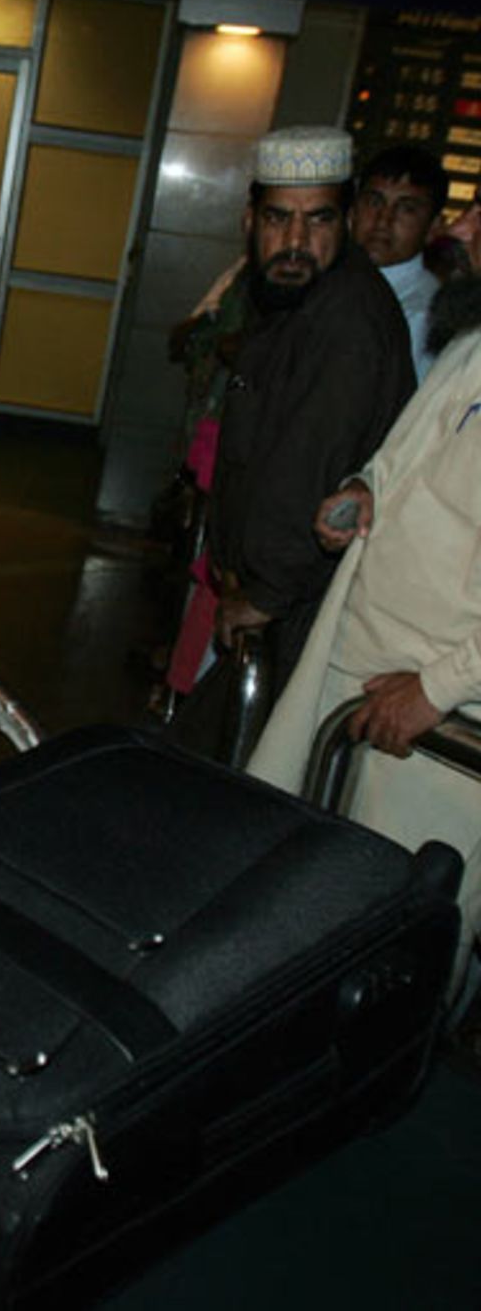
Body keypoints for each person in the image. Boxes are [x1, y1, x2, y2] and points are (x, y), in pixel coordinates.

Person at [249, 272, 481, 1017]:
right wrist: (365, 490)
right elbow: (406, 460)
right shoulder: (470, 344)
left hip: (436, 728)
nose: (468, 226)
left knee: (391, 965)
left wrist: (438, 689)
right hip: (356, 669)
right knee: (308, 911)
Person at [170, 126, 415, 745]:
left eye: (319, 220)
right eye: (279, 219)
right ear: (250, 219)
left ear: (347, 220)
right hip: (268, 596)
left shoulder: (346, 318)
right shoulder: (291, 296)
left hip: (296, 609)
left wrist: (266, 593)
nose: (297, 242)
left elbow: (310, 462)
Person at [349, 143, 446, 383]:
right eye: (374, 202)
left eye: (406, 209)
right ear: (352, 211)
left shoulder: (423, 314)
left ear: (434, 227)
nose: (384, 219)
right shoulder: (325, 282)